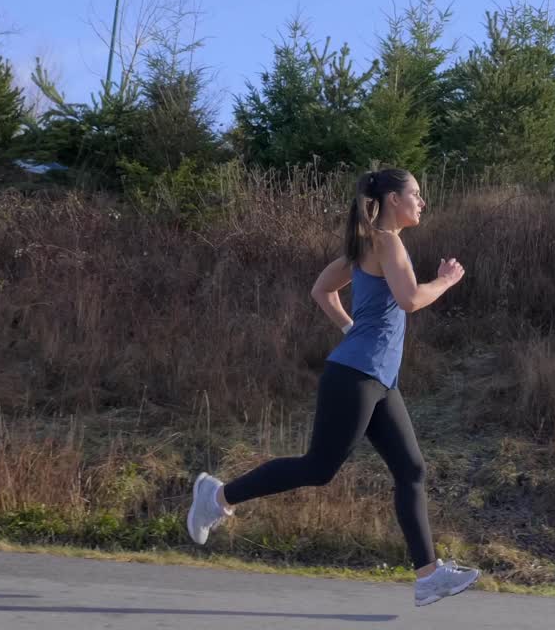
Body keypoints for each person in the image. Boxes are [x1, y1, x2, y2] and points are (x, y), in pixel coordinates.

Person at [185, 167, 480, 607]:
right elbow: (411, 300)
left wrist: (352, 331)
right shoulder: (387, 242)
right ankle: (217, 496)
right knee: (319, 467)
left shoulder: (365, 245)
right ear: (393, 200)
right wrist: (446, 280)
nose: (422, 202)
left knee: (411, 470)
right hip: (356, 377)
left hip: (376, 378)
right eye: (416, 194)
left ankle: (428, 576)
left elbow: (322, 291)